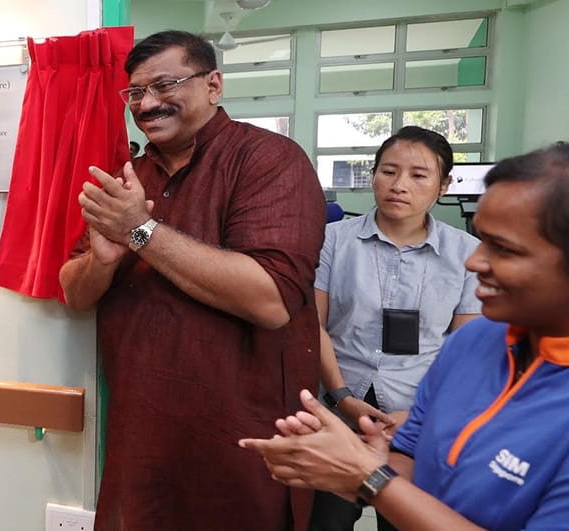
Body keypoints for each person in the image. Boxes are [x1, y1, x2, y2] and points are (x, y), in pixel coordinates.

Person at [57, 30, 325, 530]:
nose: (148, 104)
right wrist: (104, 259)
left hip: (244, 433)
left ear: (214, 85)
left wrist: (139, 231)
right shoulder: (128, 179)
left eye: (165, 85)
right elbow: (74, 293)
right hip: (141, 431)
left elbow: (270, 300)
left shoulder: (268, 160)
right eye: (135, 93)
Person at [240, 143, 569, 530]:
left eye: (505, 250)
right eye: (483, 240)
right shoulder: (475, 341)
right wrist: (348, 459)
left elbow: (385, 479)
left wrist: (369, 478)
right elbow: (409, 456)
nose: (474, 262)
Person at [308, 127, 481, 530]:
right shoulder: (332, 240)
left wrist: (420, 413)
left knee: (404, 519)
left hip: (420, 414)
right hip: (337, 407)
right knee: (325, 521)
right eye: (388, 171)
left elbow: (464, 348)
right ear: (373, 175)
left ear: (444, 186)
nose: (399, 185)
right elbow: (312, 326)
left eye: (419, 175)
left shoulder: (467, 253)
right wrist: (341, 397)